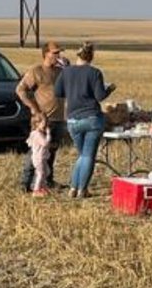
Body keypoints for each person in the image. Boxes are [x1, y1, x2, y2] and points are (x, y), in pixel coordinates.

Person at [53, 41, 116, 198]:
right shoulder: (94, 73)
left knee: (82, 155)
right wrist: (109, 89)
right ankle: (82, 190)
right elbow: (100, 96)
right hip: (92, 118)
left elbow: (58, 92)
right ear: (91, 56)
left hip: (73, 120)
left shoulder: (66, 72)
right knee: (88, 156)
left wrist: (72, 91)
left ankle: (73, 188)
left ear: (78, 55)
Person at [15, 40, 67, 193]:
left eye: (59, 52)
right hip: (42, 120)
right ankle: (25, 183)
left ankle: (47, 181)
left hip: (58, 118)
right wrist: (34, 109)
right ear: (46, 54)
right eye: (55, 52)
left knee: (51, 151)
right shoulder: (36, 71)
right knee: (36, 153)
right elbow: (20, 90)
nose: (58, 55)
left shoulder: (60, 71)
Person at [27, 123, 52, 196]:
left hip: (40, 157)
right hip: (39, 158)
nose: (45, 125)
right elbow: (45, 143)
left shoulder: (34, 133)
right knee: (40, 173)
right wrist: (48, 134)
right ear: (37, 123)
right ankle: (36, 190)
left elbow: (29, 143)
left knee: (46, 172)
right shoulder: (38, 134)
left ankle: (42, 187)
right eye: (43, 123)